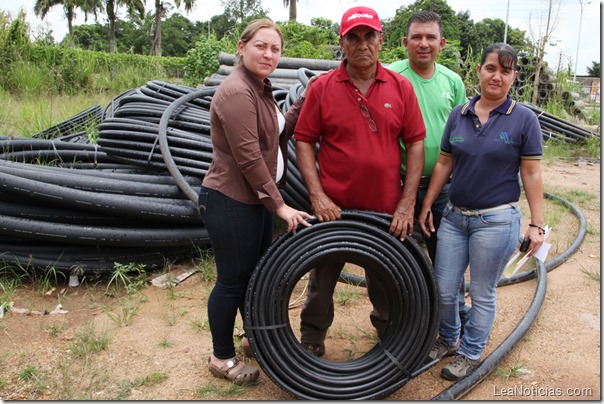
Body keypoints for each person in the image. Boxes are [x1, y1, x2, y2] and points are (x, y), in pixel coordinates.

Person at [294, 6, 426, 357]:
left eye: (369, 36)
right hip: (333, 209)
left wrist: (406, 202)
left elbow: (415, 143)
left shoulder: (400, 88)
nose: (362, 44)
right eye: (354, 37)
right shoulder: (322, 88)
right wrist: (317, 196)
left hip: (385, 210)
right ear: (343, 43)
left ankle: (391, 341)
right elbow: (303, 139)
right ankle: (311, 338)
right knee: (322, 279)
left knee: (386, 279)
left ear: (381, 42)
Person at [418, 43, 545, 381]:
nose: (497, 76)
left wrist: (537, 224)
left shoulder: (524, 119)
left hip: (497, 220)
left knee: (482, 291)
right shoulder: (459, 114)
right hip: (455, 217)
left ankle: (471, 352)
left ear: (514, 76)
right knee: (445, 287)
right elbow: (445, 161)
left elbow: (531, 172)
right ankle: (448, 338)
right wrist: (429, 203)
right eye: (491, 68)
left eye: (505, 70)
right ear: (479, 70)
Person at [199, 18, 314, 385]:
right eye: (261, 46)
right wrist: (279, 206)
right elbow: (249, 157)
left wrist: (305, 101)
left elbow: (277, 132)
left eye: (275, 49)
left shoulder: (260, 89)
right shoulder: (237, 92)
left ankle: (253, 337)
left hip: (255, 203)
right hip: (231, 200)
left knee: (254, 276)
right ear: (241, 46)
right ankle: (221, 357)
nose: (268, 54)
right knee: (232, 281)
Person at [386, 11, 471, 330]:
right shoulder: (390, 76)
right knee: (401, 257)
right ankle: (407, 321)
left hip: (443, 187)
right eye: (417, 37)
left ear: (442, 43)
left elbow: (464, 136)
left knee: (447, 257)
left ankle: (454, 317)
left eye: (430, 37)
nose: (423, 43)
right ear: (405, 42)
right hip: (398, 186)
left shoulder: (452, 82)